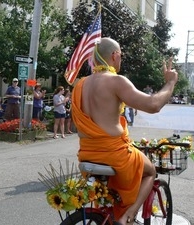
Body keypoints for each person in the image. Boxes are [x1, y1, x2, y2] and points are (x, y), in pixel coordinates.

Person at [71, 37, 178, 225]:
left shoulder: (80, 85)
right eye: (120, 55)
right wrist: (170, 82)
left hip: (87, 154)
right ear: (114, 55)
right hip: (115, 155)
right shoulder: (116, 81)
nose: (121, 59)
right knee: (150, 172)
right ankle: (127, 216)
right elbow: (153, 105)